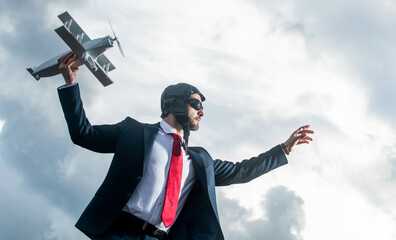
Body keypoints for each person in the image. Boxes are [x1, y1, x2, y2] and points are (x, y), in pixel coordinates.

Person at [57, 51, 314, 240]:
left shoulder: (199, 161)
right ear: (176, 103)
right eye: (197, 105)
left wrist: (284, 148)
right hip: (120, 233)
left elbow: (242, 171)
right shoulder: (134, 132)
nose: (201, 112)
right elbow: (84, 135)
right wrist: (70, 85)